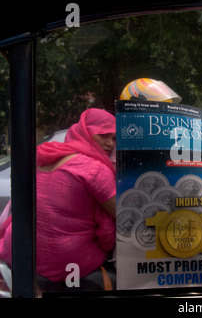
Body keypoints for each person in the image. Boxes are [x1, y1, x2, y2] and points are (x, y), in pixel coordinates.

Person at [0, 108, 117, 291]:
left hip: (18, 251)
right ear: (85, 132)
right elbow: (124, 216)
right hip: (68, 264)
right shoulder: (95, 169)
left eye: (114, 138)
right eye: (103, 135)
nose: (110, 143)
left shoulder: (45, 156)